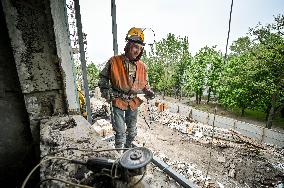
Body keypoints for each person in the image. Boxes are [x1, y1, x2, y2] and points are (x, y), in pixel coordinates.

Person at [98, 27, 155, 148]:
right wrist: (106, 92)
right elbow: (103, 78)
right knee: (120, 134)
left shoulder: (142, 67)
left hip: (133, 102)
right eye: (135, 47)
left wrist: (148, 91)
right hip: (118, 100)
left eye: (140, 48)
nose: (137, 51)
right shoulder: (114, 61)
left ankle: (127, 151)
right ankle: (118, 156)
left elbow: (144, 84)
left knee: (132, 132)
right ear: (128, 46)